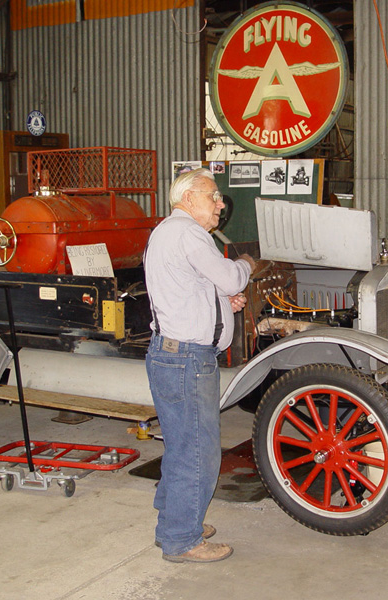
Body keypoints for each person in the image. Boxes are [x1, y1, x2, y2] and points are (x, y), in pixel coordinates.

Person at [144, 168, 256, 563]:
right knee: (198, 451)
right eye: (214, 196)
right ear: (189, 198)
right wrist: (245, 265)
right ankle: (181, 538)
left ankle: (175, 519)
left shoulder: (166, 233)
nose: (220, 204)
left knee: (181, 445)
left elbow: (191, 289)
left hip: (170, 355)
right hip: (188, 360)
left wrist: (224, 305)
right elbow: (228, 277)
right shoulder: (190, 233)